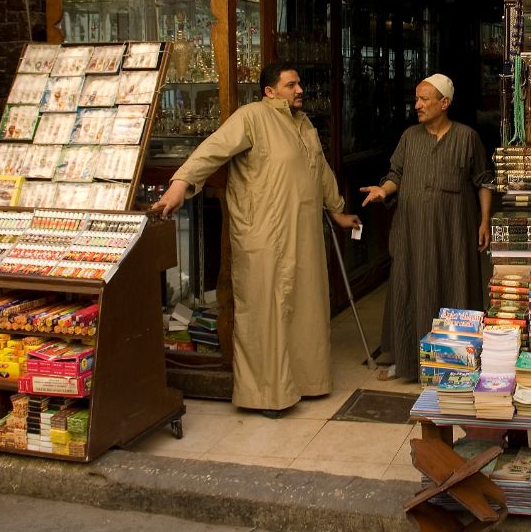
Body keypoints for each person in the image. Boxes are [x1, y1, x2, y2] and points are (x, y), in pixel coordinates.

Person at [152, 61, 361, 417]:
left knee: (305, 309)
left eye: (299, 85)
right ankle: (266, 395)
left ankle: (307, 382)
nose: (299, 91)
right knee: (266, 313)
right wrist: (180, 184)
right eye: (291, 85)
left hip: (303, 232)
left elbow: (320, 169)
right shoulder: (251, 117)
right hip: (264, 233)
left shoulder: (304, 123)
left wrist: (338, 210)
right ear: (269, 91)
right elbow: (211, 150)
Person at [360, 73, 493, 381]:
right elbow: (396, 174)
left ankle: (456, 365)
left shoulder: (466, 137)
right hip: (413, 232)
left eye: (423, 99)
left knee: (454, 285)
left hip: (453, 233)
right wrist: (384, 190)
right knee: (412, 288)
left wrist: (484, 221)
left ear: (444, 103)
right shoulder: (409, 137)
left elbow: (483, 181)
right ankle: (408, 362)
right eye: (416, 99)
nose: (417, 105)